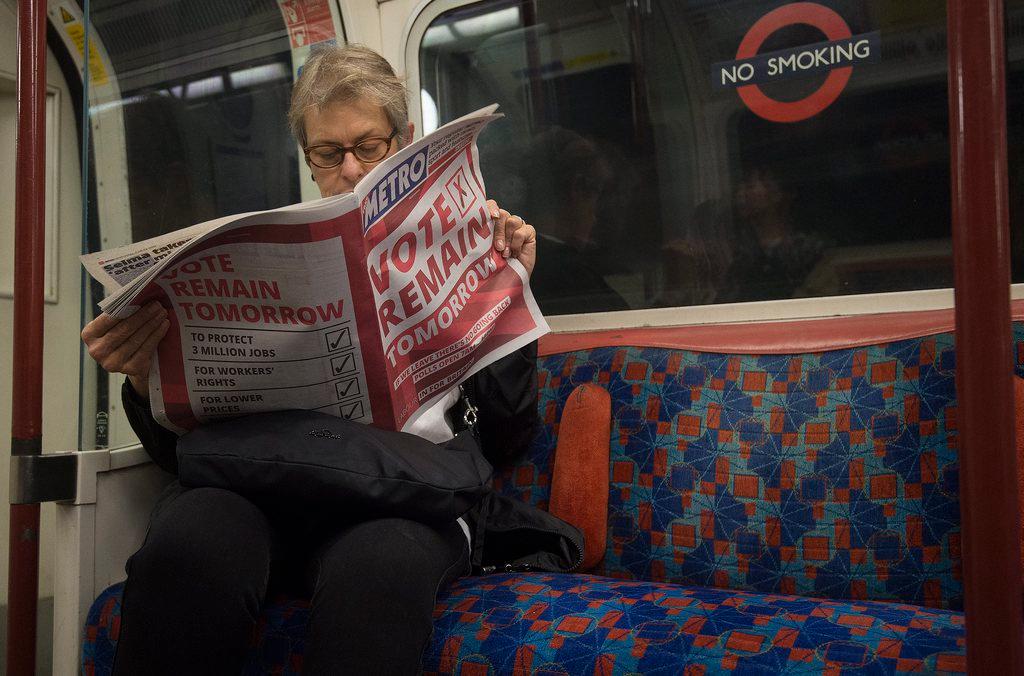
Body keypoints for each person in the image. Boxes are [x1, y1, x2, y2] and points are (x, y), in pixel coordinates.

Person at [81, 44, 542, 675]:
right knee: (188, 546)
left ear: (404, 141)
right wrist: (142, 378)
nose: (350, 170)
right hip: (261, 486)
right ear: (309, 158)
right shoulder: (262, 249)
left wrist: (506, 288)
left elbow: (510, 432)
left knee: (377, 571)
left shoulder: (461, 240)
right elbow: (187, 455)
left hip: (405, 497)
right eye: (329, 153)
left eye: (369, 146)